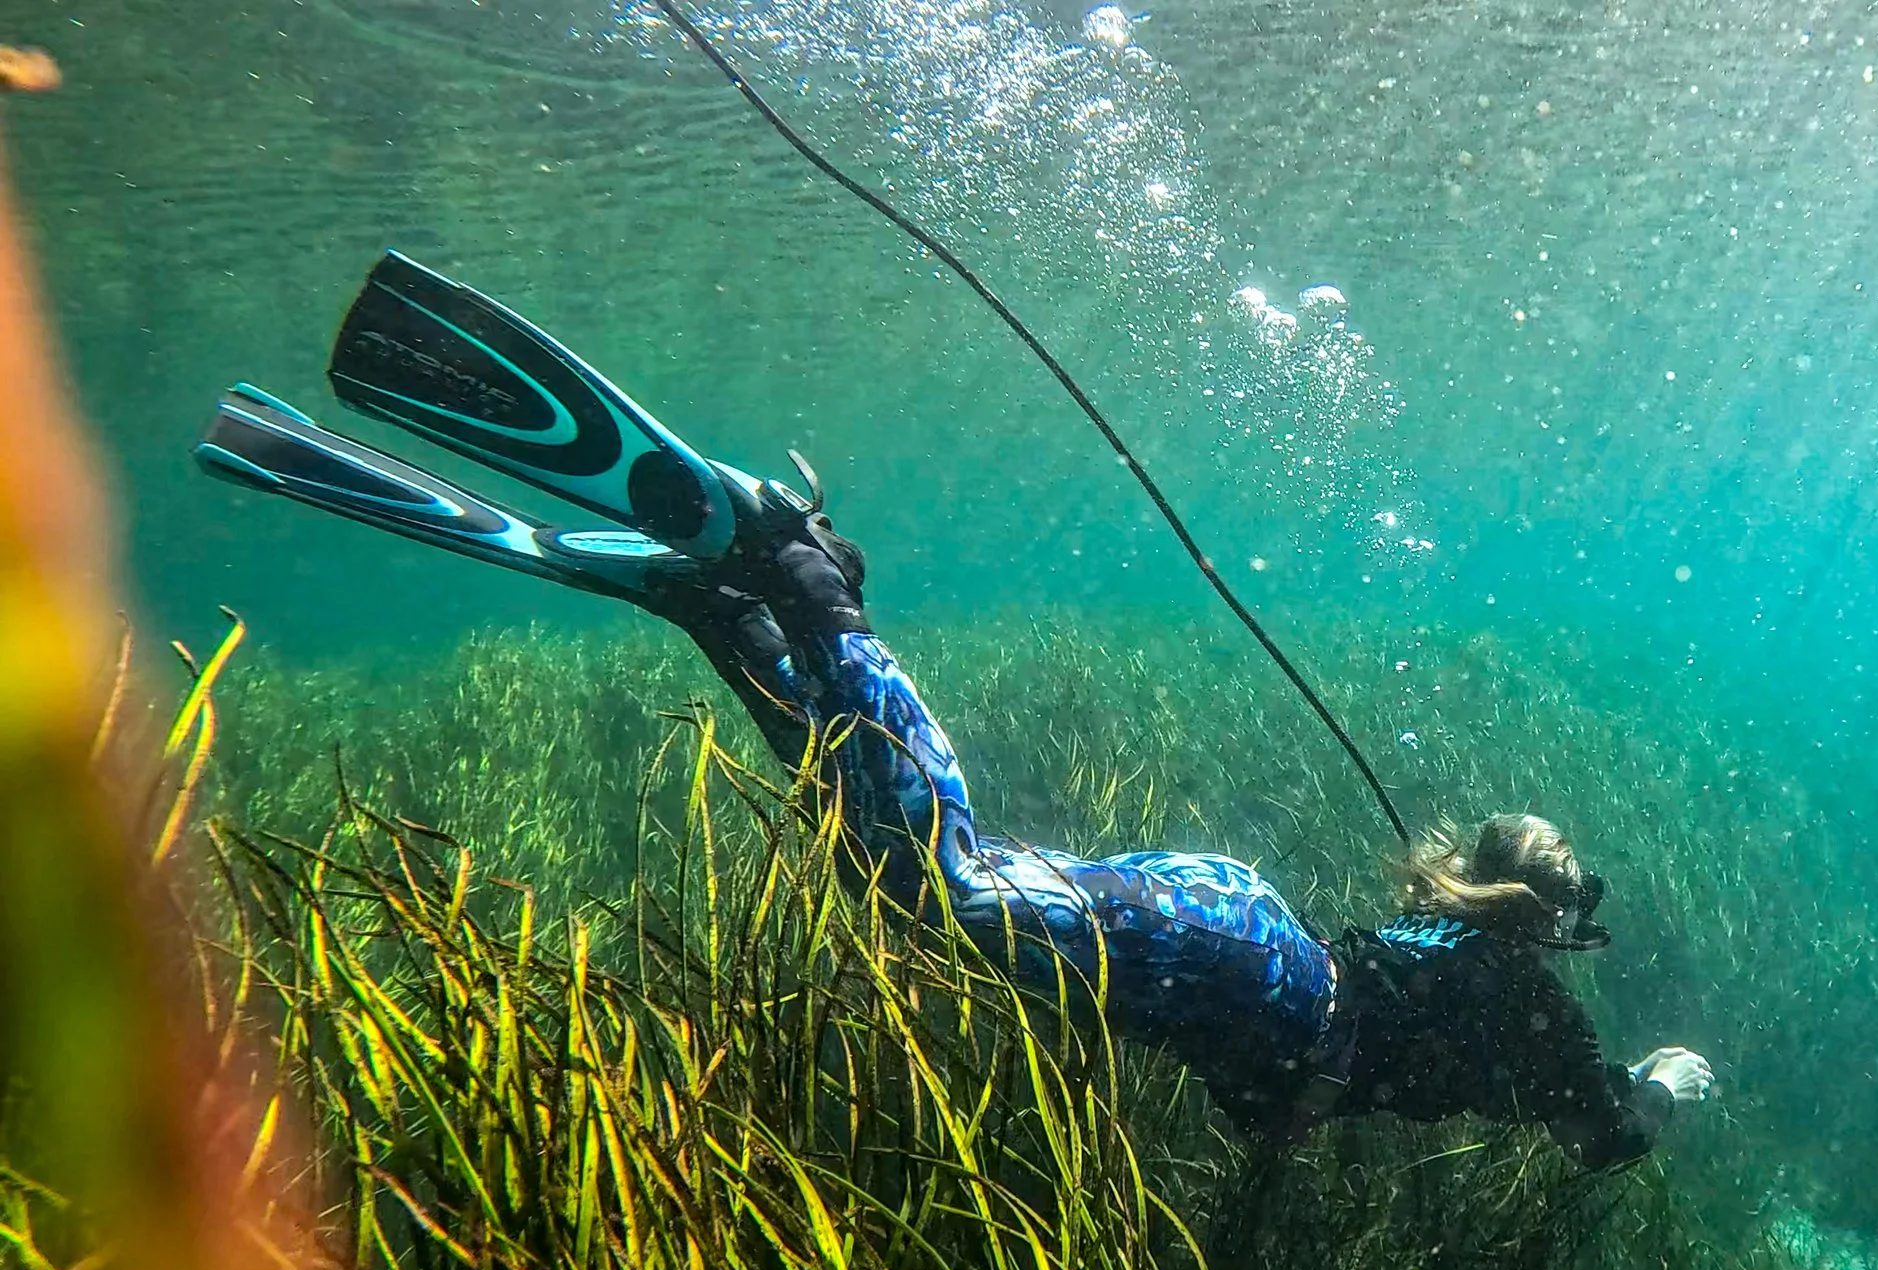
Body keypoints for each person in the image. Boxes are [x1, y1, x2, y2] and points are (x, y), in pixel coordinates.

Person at [194, 251, 1717, 1166]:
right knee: (942, 887)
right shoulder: (1534, 1018)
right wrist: (1655, 1086)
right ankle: (802, 577)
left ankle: (740, 624)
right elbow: (1606, 1142)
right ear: (1554, 923)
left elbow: (1317, 1082)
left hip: (1240, 936)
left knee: (905, 879)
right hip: (1246, 975)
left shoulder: (1456, 946)